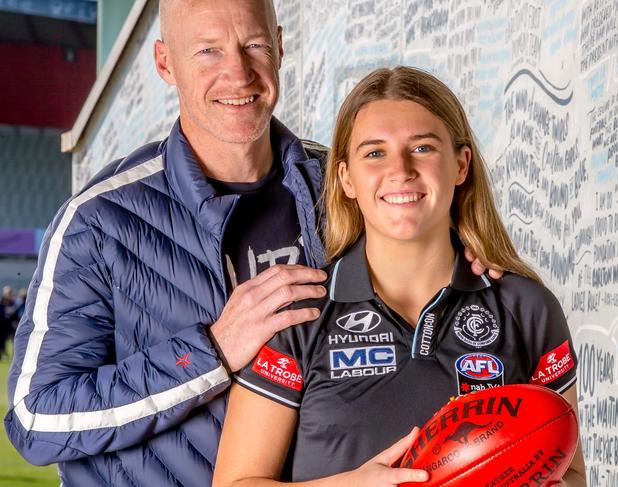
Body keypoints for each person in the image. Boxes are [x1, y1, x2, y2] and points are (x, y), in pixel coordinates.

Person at [4, 2, 496, 486]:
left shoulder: (346, 186)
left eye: (254, 45)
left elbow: (426, 268)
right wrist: (212, 350)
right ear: (164, 63)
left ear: (279, 48)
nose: (238, 73)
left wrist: (465, 257)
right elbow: (37, 419)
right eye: (208, 51)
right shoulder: (99, 221)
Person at [213, 66, 587, 486]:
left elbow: (570, 473)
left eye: (423, 147)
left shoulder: (527, 308)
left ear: (461, 165)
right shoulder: (297, 315)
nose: (401, 169)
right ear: (346, 178)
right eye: (375, 152)